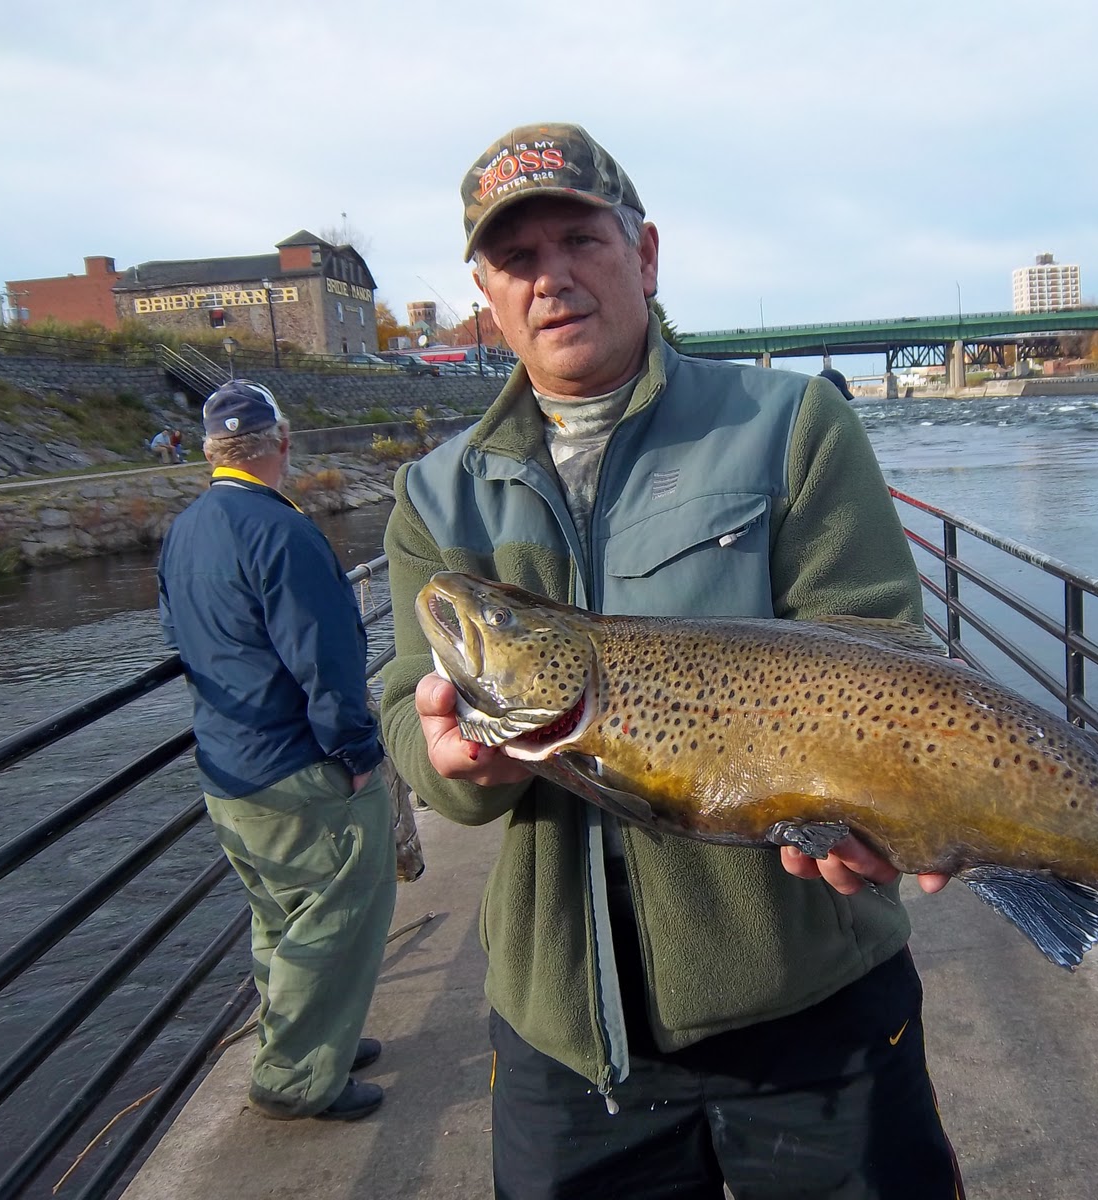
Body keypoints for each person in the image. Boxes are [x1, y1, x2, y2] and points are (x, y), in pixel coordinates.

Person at [380, 122, 963, 1196]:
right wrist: (444, 762)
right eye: (517, 259)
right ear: (485, 293)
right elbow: (402, 728)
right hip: (569, 1042)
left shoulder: (790, 423)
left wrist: (882, 806)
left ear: (643, 255)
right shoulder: (434, 496)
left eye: (580, 241)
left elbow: (883, 653)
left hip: (817, 1013)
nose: (551, 277)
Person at [157, 379, 397, 1123]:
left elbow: (175, 634)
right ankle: (296, 1078)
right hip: (299, 767)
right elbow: (326, 661)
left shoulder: (186, 528)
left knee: (278, 917)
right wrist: (358, 750)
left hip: (227, 767)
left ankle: (312, 1034)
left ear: (209, 453)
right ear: (281, 445)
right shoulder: (284, 531)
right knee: (338, 913)